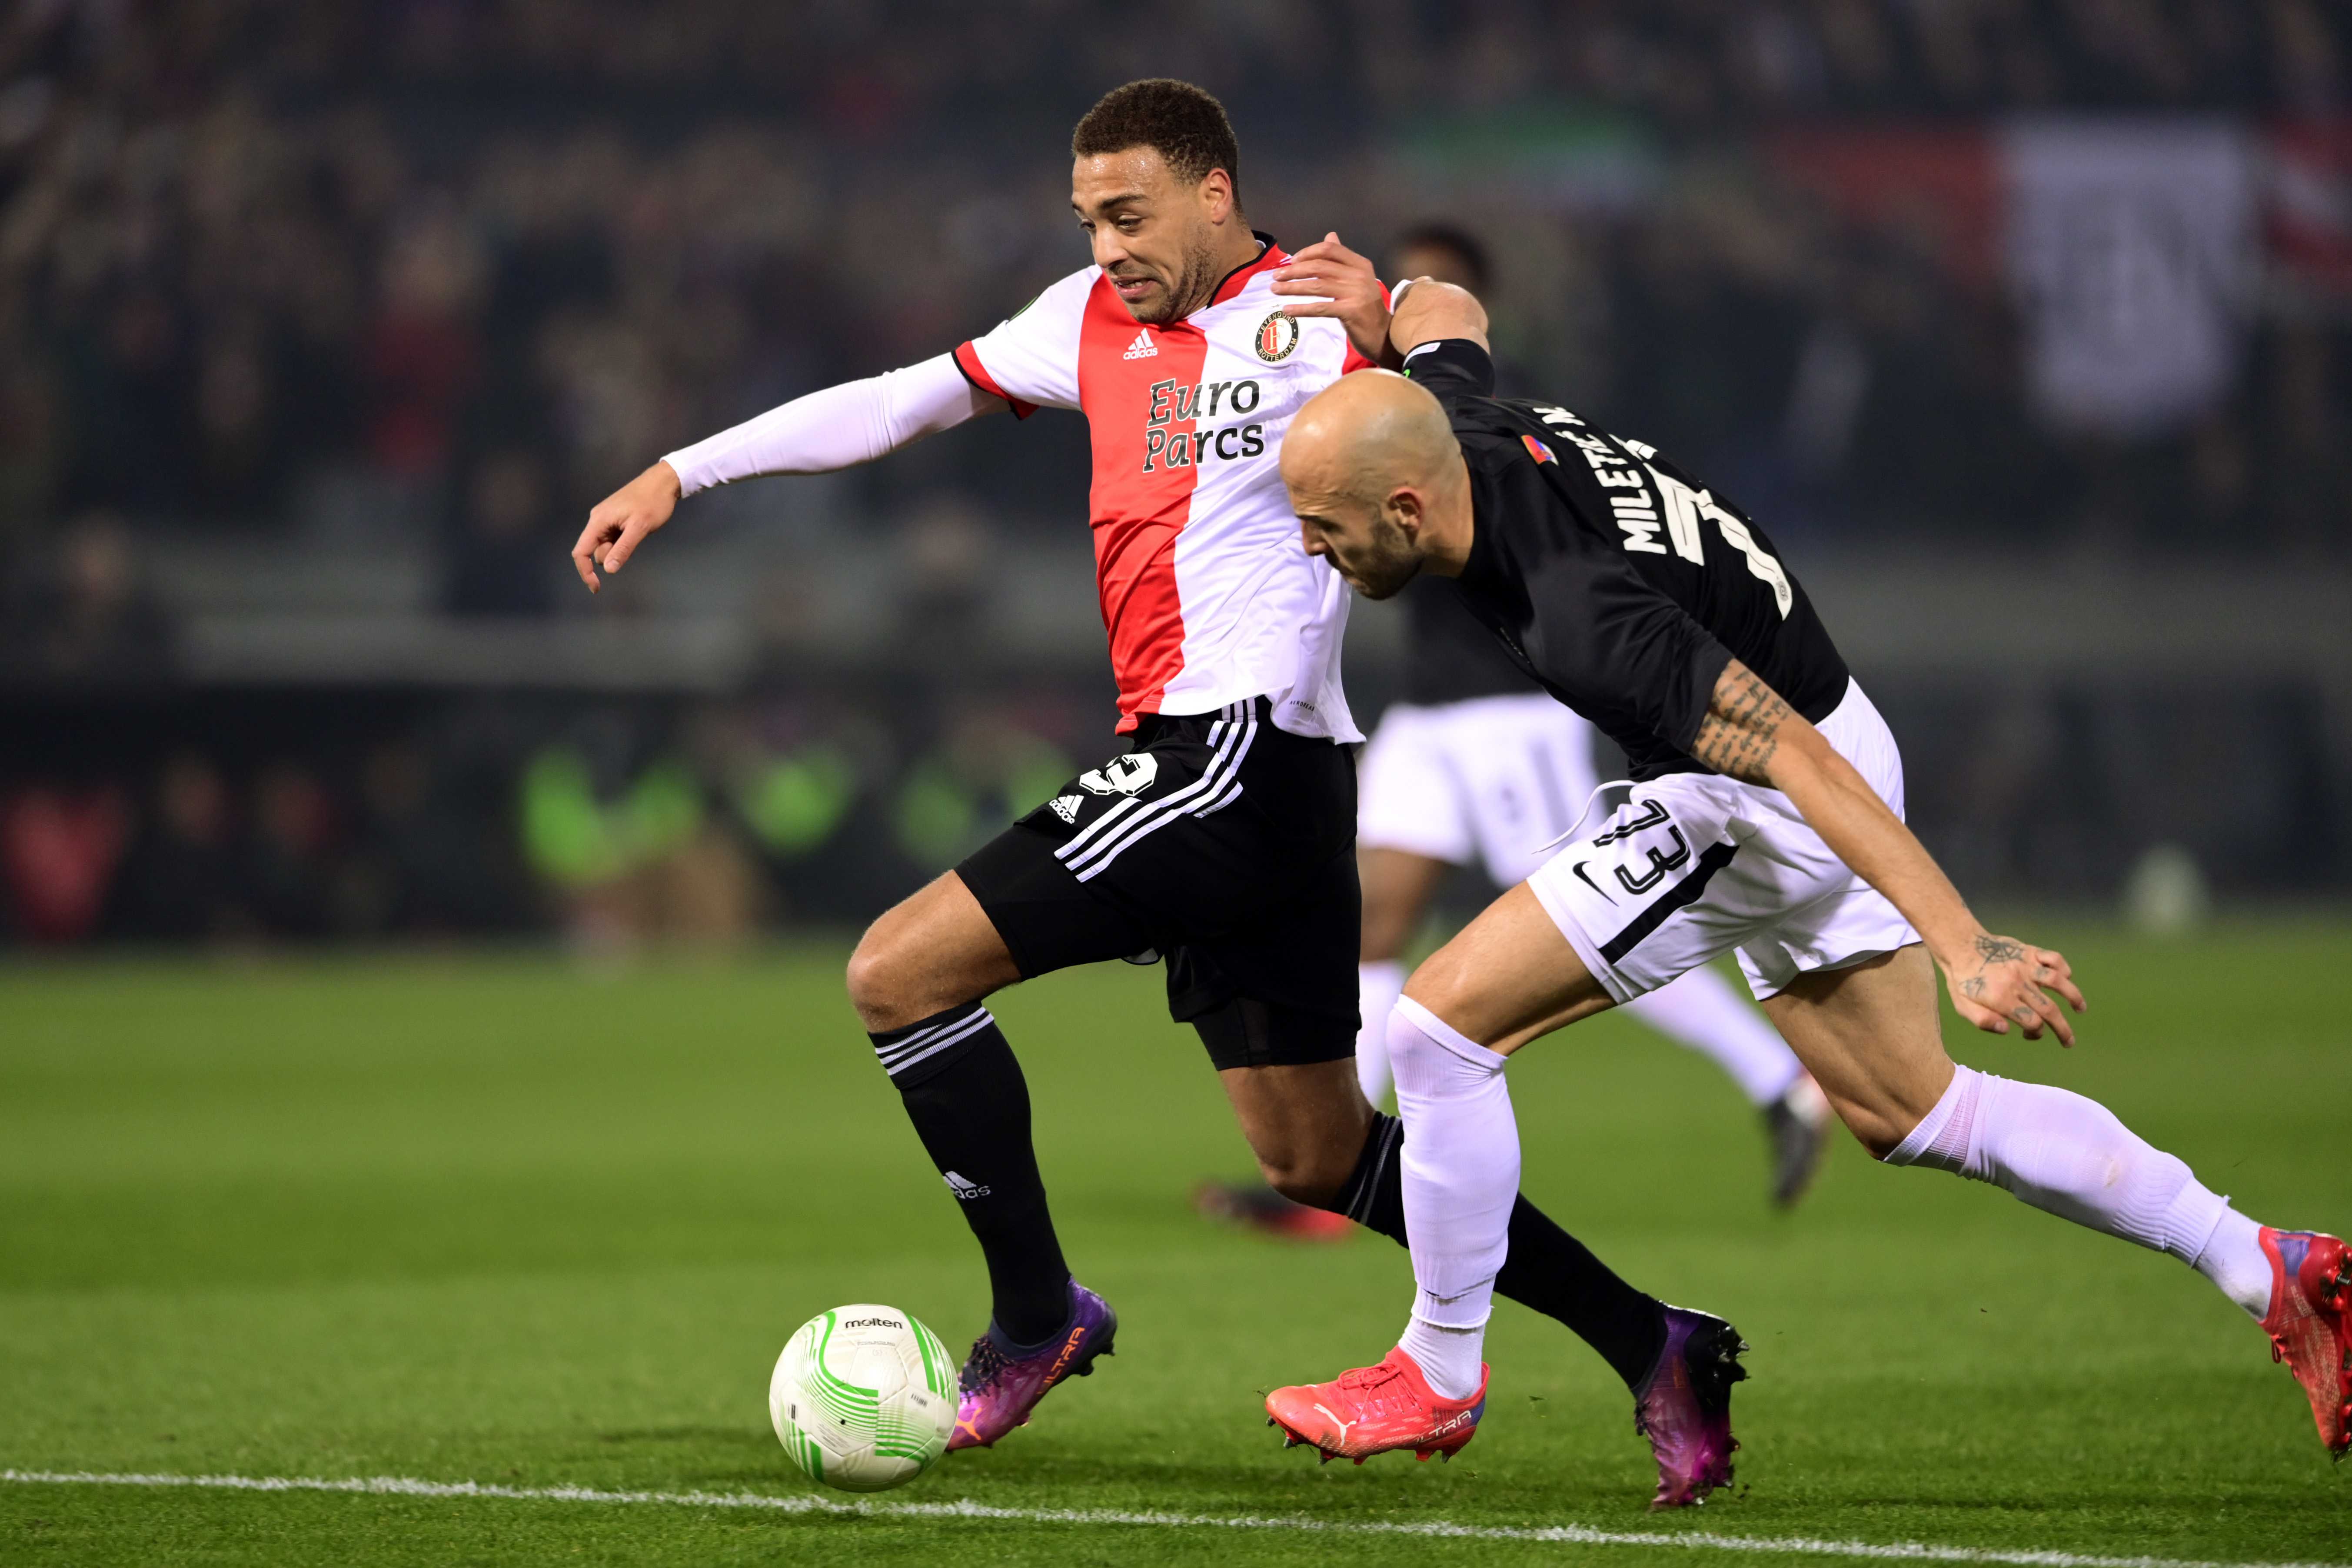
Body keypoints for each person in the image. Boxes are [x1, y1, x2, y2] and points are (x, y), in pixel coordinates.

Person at [569, 80, 1741, 1504]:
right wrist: (680, 472)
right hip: (1267, 778)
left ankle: (1034, 1317)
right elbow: (895, 403)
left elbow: (1454, 340)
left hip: (1229, 754)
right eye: (1087, 219)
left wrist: (1410, 318)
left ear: (1213, 192)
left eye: (1128, 215)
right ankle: (1655, 1339)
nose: (1106, 245)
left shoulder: (1310, 315)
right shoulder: (1083, 319)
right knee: (1312, 1152)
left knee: (895, 973)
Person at [1259, 280, 2352, 1483]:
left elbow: (1791, 758)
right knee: (1917, 1111)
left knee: (1435, 1034)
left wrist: (1963, 941)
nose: (1311, 546)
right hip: (1834, 735)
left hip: (1770, 795)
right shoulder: (1458, 420)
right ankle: (2266, 1266)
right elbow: (1447, 315)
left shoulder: (1583, 611)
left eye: (1324, 523)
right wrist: (1379, 298)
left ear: (1406, 506)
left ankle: (1439, 1372)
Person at [1356, 223, 1830, 1206]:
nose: (1399, 303)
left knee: (1593, 924)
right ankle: (1348, 1162)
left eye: (1418, 287)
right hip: (1426, 712)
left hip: (1508, 710)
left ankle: (1782, 1079)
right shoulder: (1384, 397)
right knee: (1368, 926)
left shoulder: (1487, 405)